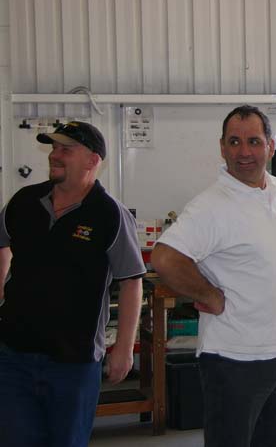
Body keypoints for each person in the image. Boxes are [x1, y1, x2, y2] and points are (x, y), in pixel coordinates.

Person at [151, 105, 276, 447]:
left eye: (253, 141)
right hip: (233, 359)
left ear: (270, 146)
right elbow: (165, 258)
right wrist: (209, 295)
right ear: (222, 147)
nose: (243, 152)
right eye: (234, 142)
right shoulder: (211, 205)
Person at [0, 121, 145, 447]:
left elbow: (131, 281)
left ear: (93, 160)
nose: (55, 155)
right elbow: (1, 243)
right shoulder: (24, 201)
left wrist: (123, 349)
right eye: (54, 148)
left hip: (74, 362)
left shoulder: (110, 214)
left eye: (66, 149)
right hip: (13, 356)